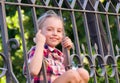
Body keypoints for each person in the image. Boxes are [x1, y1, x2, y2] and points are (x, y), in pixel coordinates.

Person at [23, 10, 89, 83]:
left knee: (83, 73)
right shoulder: (36, 50)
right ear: (40, 32)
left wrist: (66, 50)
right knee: (71, 74)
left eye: (59, 31)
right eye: (50, 29)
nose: (55, 33)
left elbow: (66, 69)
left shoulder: (58, 53)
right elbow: (33, 71)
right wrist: (40, 43)